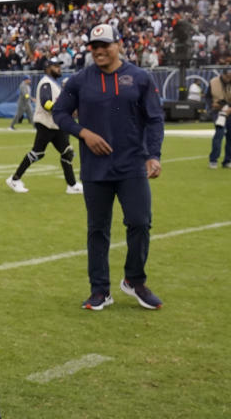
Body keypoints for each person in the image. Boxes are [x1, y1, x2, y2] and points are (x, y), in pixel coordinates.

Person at [52, 24, 165, 311]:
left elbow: (154, 119)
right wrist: (84, 133)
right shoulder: (79, 80)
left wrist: (153, 155)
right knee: (97, 230)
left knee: (140, 222)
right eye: (94, 46)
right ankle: (100, 290)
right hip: (95, 169)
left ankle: (134, 280)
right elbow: (60, 113)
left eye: (105, 44)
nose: (100, 50)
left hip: (132, 166)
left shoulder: (139, 78)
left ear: (119, 44)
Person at [6, 57, 83, 194]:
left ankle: (71, 185)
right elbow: (46, 103)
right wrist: (63, 111)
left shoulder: (54, 83)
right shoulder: (46, 83)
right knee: (38, 152)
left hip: (56, 124)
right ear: (48, 68)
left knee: (67, 152)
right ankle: (14, 179)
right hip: (45, 123)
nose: (59, 68)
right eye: (55, 66)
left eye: (59, 66)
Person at [207, 67, 231, 169]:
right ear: (223, 75)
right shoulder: (213, 82)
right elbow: (207, 97)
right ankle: (213, 160)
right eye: (227, 76)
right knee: (219, 134)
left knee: (230, 136)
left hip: (230, 111)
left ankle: (227, 160)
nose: (229, 78)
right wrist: (212, 105)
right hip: (218, 111)